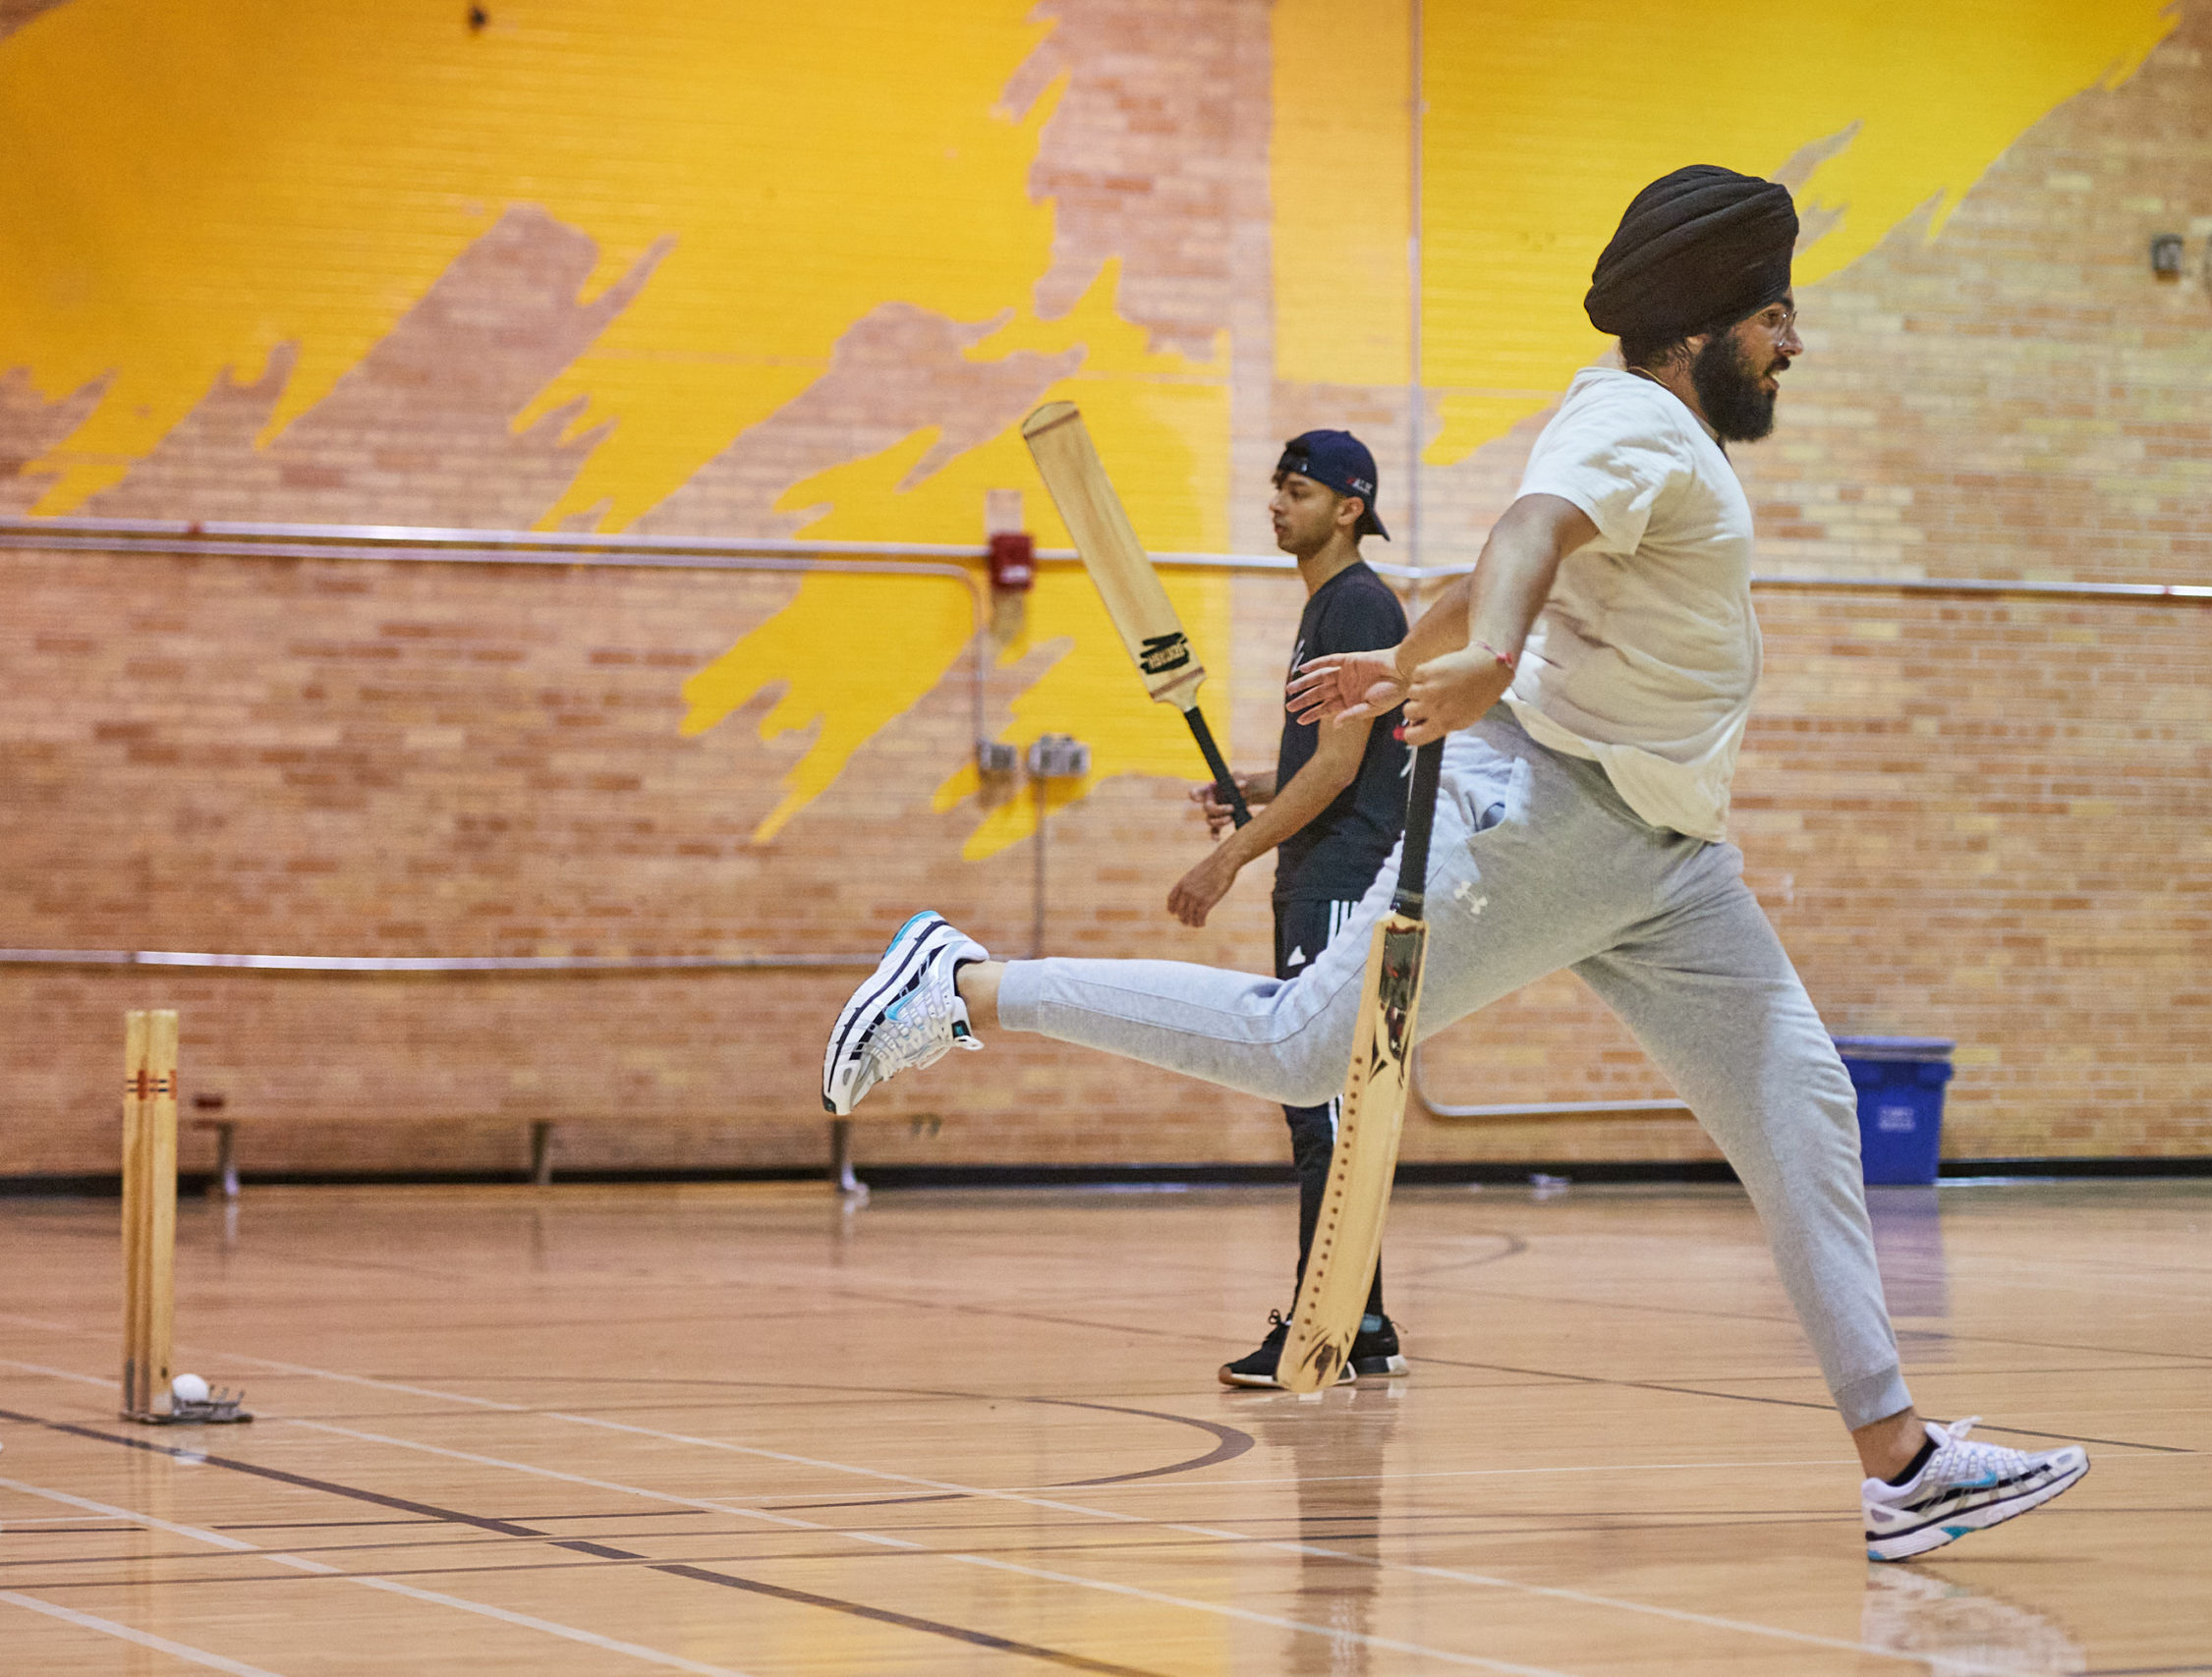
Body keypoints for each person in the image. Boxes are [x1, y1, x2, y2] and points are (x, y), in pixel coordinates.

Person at [822, 164, 2090, 1560]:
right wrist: (1484, 656)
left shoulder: (1651, 435)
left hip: (1669, 860)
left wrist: (1405, 657)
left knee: (1803, 1105)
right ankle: (969, 984)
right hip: (1550, 815)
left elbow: (1493, 549)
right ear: (1706, 321)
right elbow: (1529, 538)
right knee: (1305, 1049)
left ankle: (1899, 1462)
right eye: (1778, 317)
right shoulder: (1635, 420)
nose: (1794, 344)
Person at [1166, 430, 1413, 1389]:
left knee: (1323, 1107)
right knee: (1334, 1106)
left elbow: (1345, 768)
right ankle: (1365, 1319)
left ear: (1347, 507)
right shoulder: (1331, 603)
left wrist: (1229, 852)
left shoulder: (1355, 601)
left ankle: (1327, 1326)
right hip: (1328, 868)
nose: (1276, 503)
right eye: (1274, 486)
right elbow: (1339, 760)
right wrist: (1264, 786)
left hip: (1341, 878)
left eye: (1296, 489)